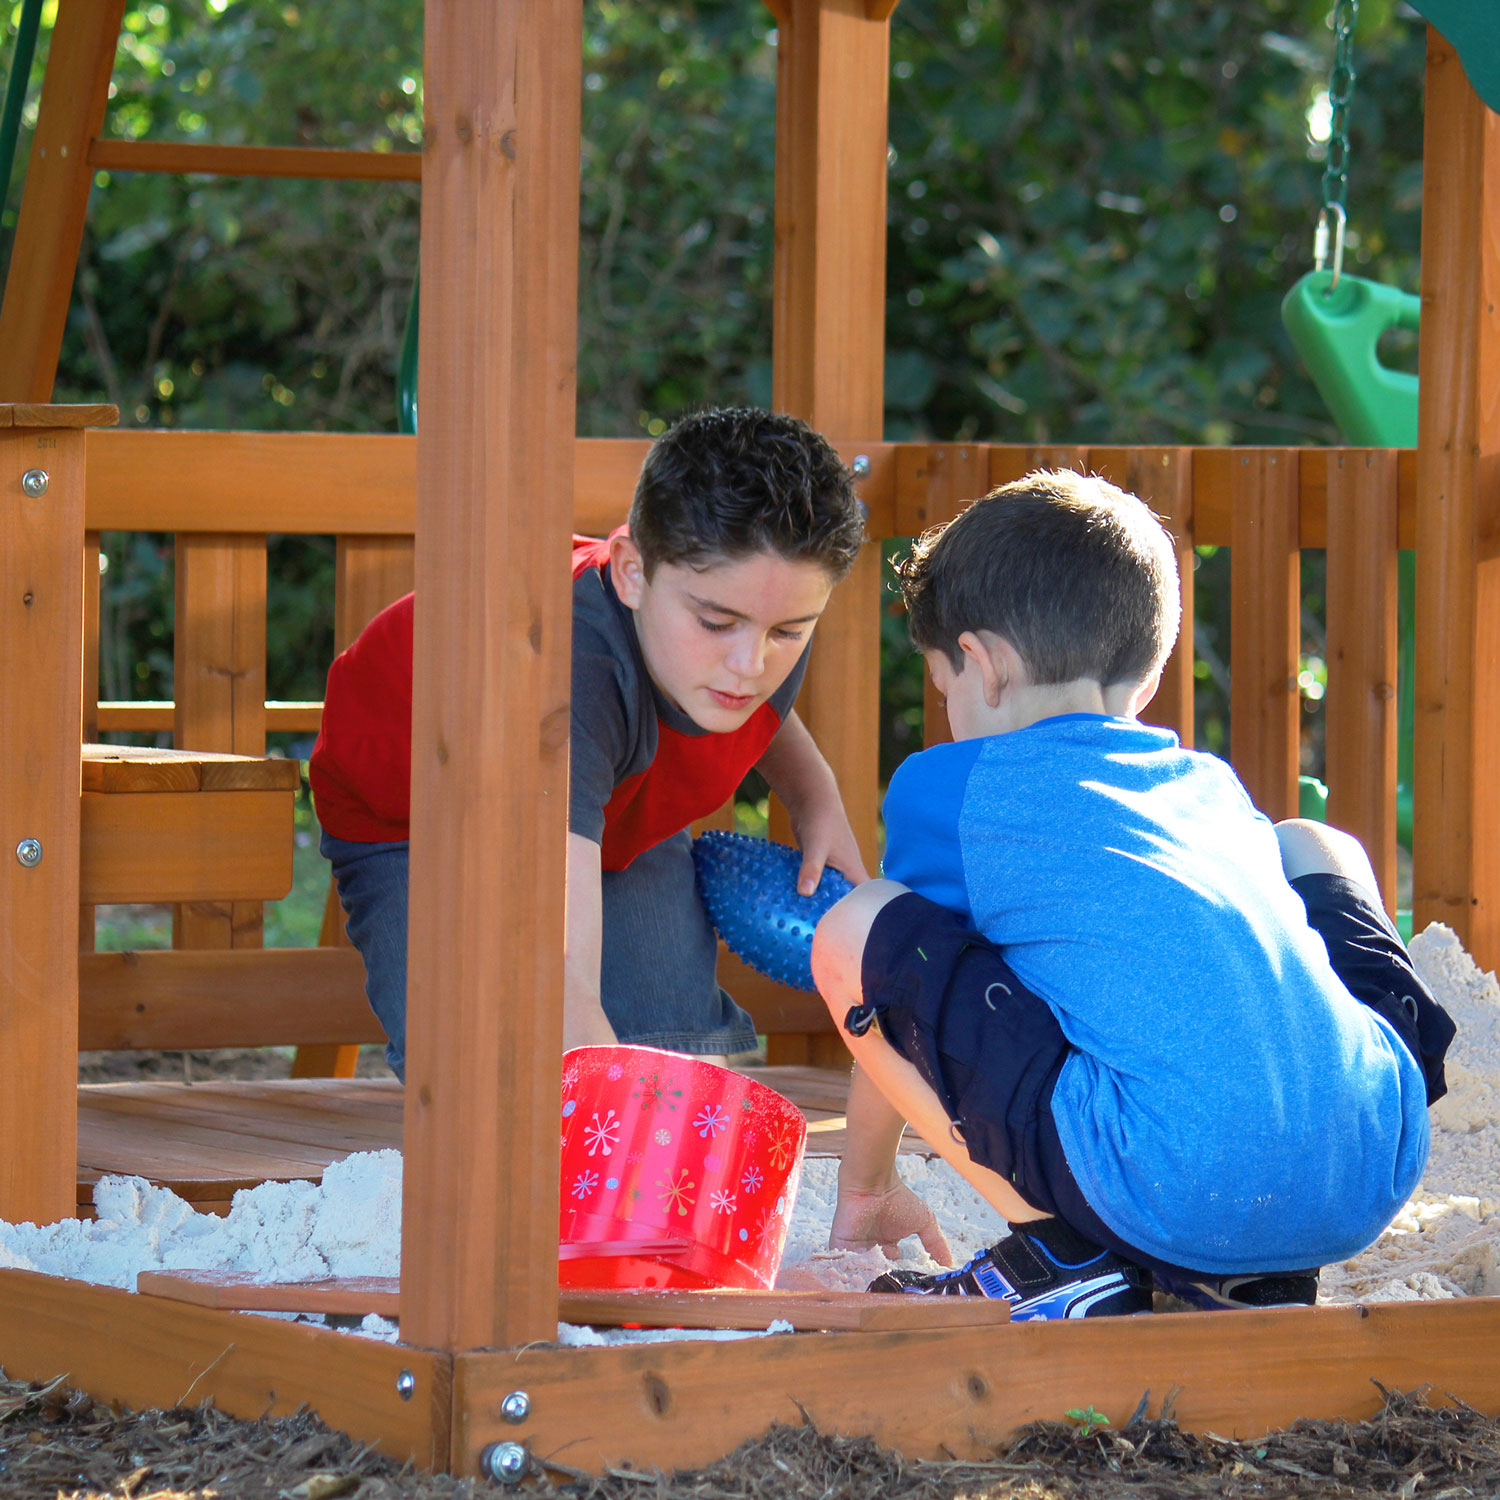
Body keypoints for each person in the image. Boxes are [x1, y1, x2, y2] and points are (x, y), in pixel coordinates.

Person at [809, 470, 1455, 1318]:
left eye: (945, 688)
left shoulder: (956, 787)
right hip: (1366, 1165)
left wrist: (867, 1186)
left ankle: (1060, 1250)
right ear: (1146, 682)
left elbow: (897, 988)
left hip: (1173, 1185)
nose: (950, 712)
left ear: (983, 666)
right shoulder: (1209, 787)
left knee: (854, 927)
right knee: (1311, 842)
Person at [311, 407, 870, 1079]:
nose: (751, 665)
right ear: (632, 572)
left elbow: (766, 706)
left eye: (788, 632)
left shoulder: (755, 624)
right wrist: (614, 1106)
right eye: (717, 623)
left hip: (603, 800)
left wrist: (813, 795)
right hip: (425, 817)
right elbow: (562, 976)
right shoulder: (564, 677)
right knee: (486, 1072)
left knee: (673, 1047)